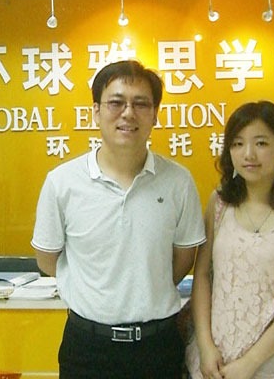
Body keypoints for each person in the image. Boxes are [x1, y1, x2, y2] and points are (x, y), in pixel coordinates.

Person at [31, 60, 206, 379]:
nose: (128, 113)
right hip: (87, 348)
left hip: (158, 347)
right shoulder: (62, 182)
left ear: (155, 115)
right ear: (96, 112)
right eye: (116, 102)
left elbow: (183, 260)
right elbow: (47, 260)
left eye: (141, 104)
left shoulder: (178, 181)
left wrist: (145, 287)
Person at [185, 101, 274, 379]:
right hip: (213, 363)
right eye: (237, 144)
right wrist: (205, 346)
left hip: (272, 365)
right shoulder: (220, 203)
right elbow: (202, 276)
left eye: (261, 143)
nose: (248, 154)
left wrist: (250, 363)